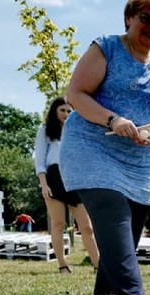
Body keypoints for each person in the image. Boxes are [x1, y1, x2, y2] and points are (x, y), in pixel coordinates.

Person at [61, 0, 150, 295]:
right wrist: (114, 119)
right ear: (129, 17)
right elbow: (76, 93)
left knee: (129, 230)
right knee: (114, 215)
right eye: (146, 19)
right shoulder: (107, 47)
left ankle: (104, 294)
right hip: (91, 148)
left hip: (136, 160)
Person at [34, 97, 100, 273]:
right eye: (62, 110)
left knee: (86, 226)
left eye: (69, 111)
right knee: (58, 224)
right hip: (54, 177)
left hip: (74, 178)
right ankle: (62, 265)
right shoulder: (45, 130)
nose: (66, 114)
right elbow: (39, 160)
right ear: (55, 111)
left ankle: (98, 266)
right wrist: (44, 184)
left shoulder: (77, 130)